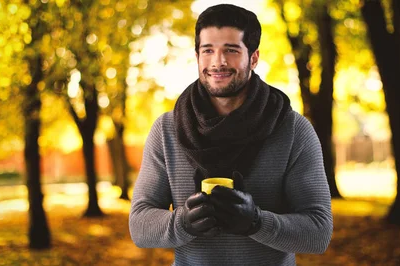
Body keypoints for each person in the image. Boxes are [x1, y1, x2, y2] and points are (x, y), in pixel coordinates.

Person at [129, 4, 332, 265]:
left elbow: (319, 233)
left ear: (254, 57)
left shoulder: (293, 130)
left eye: (231, 50)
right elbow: (139, 226)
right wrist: (182, 222)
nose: (218, 62)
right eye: (208, 51)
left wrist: (257, 222)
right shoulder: (167, 130)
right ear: (197, 56)